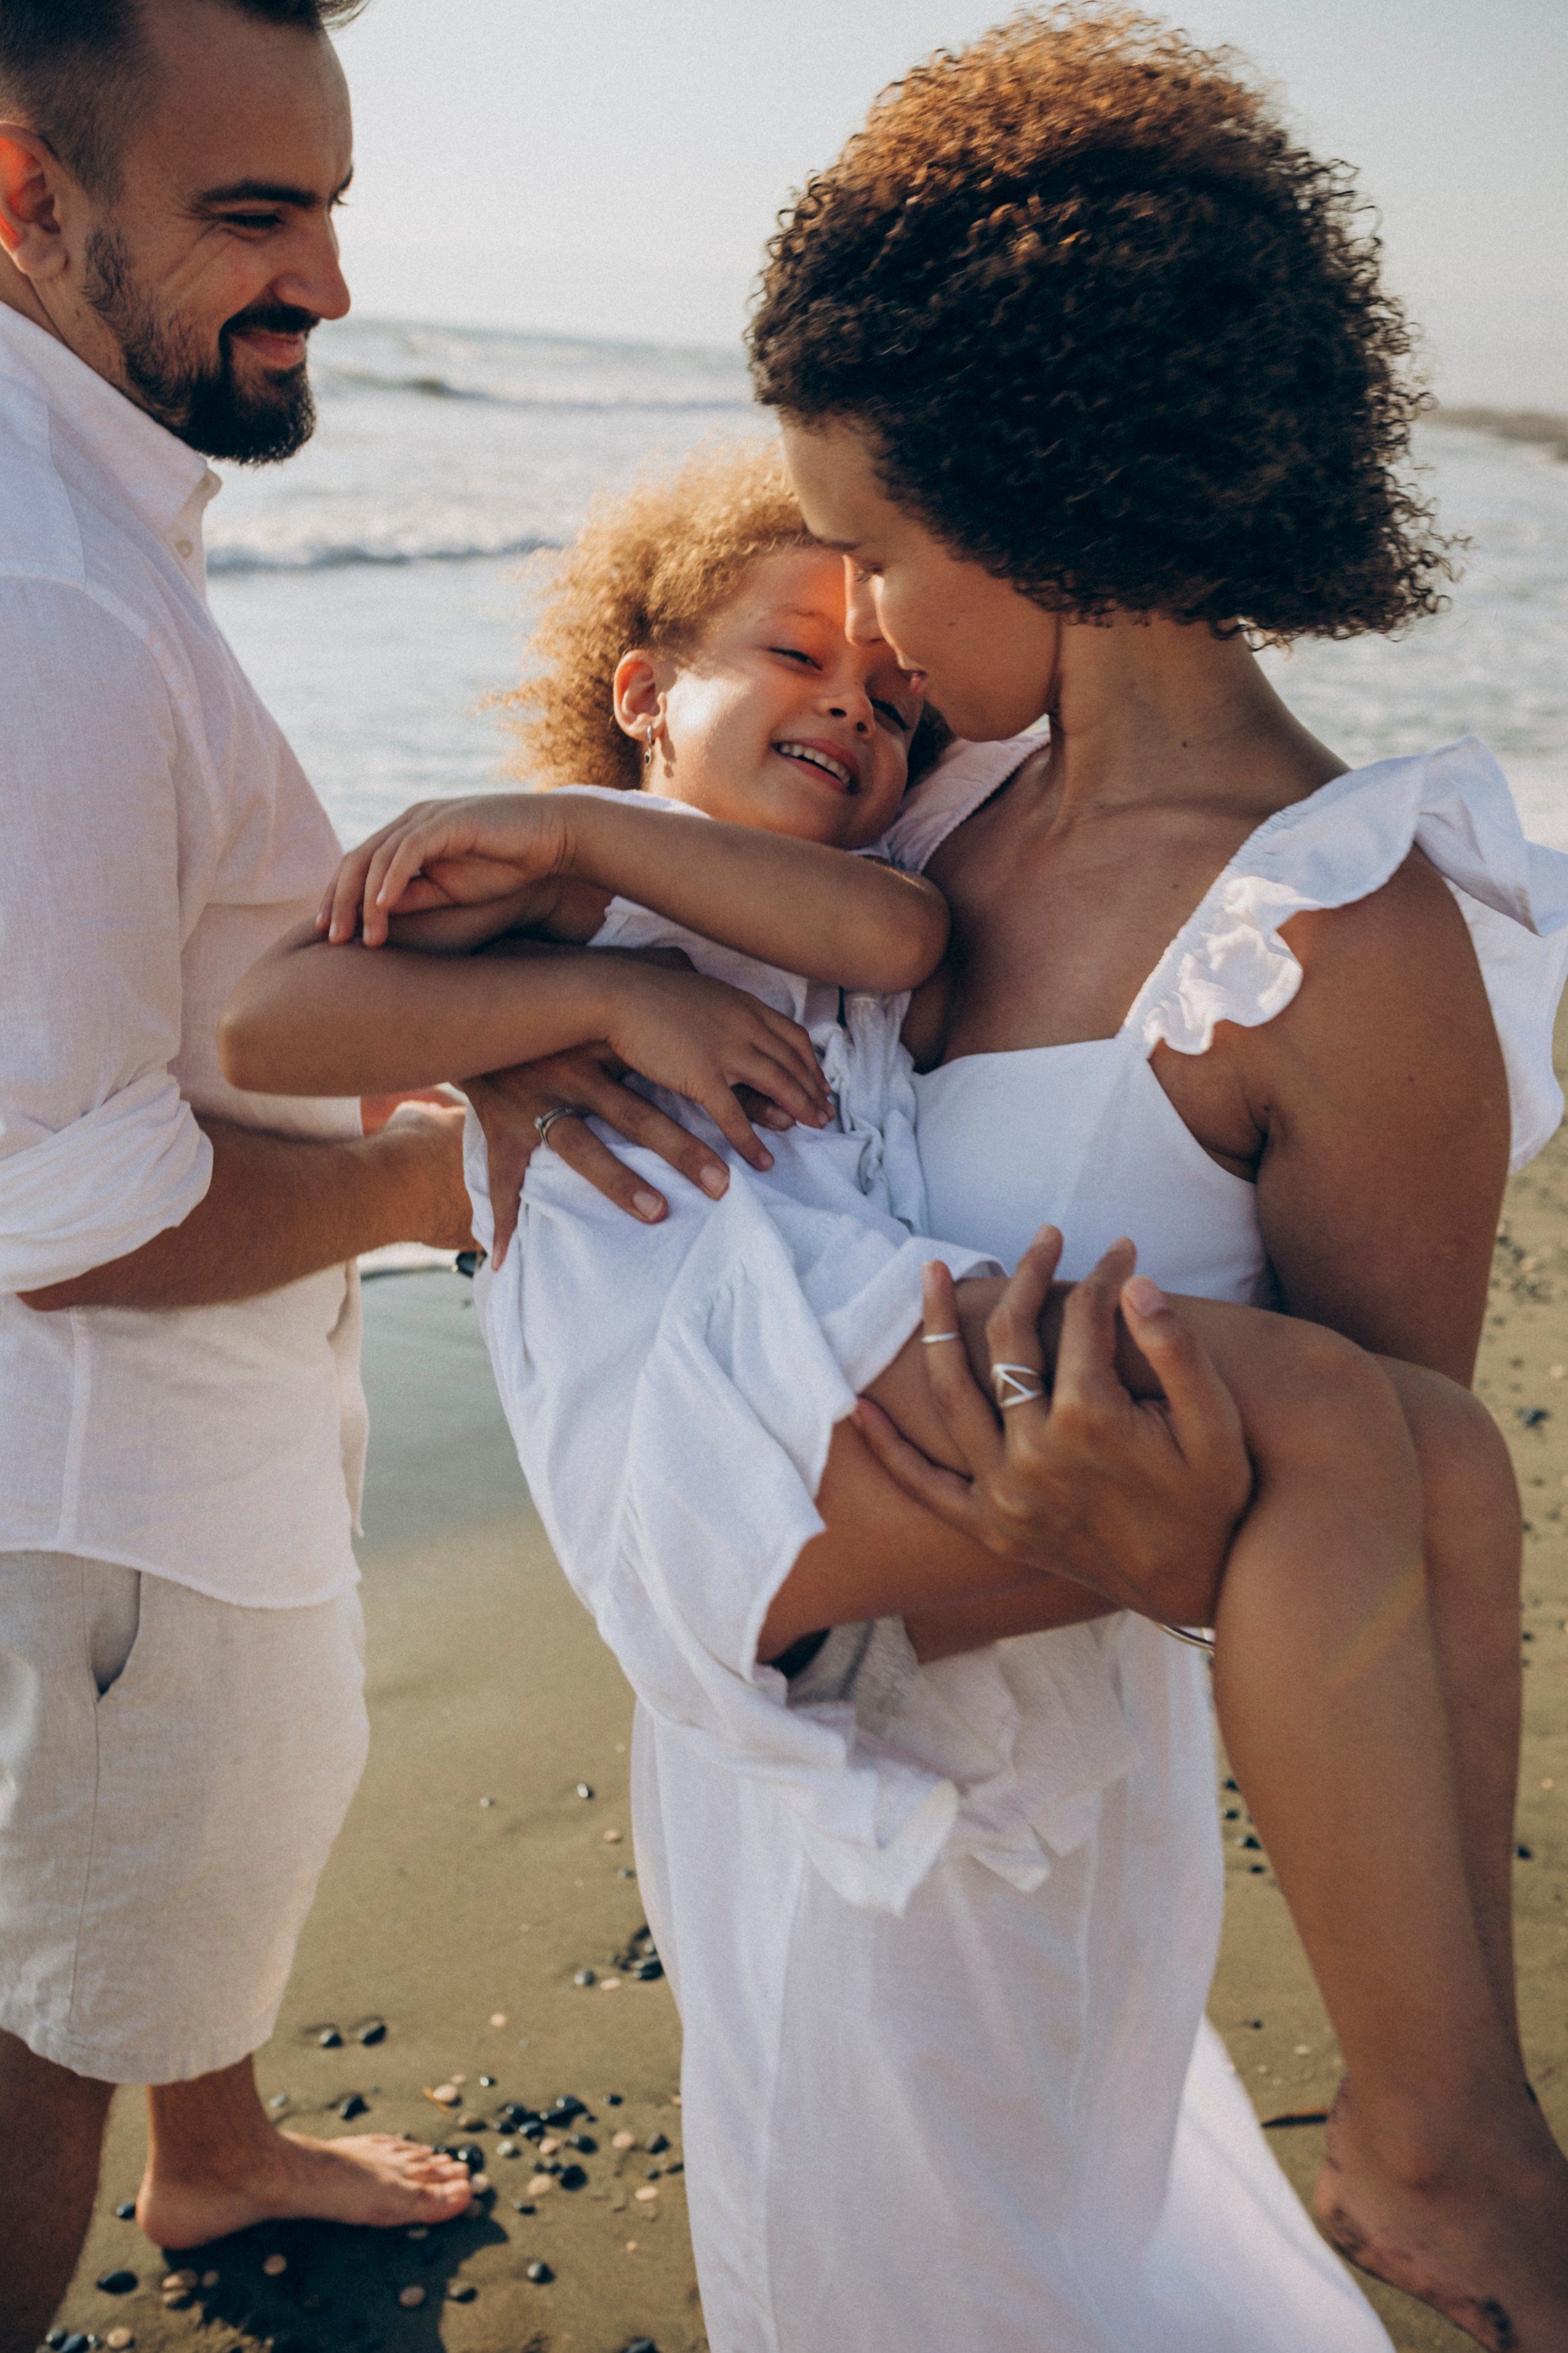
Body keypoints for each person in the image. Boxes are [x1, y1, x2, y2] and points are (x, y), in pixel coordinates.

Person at [226, 426, 1568, 2350]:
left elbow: (900, 930)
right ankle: (1434, 2118)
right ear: (637, 691)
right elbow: (271, 1016)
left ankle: (1451, 2084)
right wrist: (580, 986)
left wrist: (630, 881)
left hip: (829, 1353)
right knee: (1337, 1426)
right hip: (707, 1412)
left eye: (881, 695)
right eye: (792, 656)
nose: (852, 711)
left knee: (1428, 1439)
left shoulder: (825, 902)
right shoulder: (555, 895)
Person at [0, 7, 477, 2347]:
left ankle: (220, 2154)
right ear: (22, 199)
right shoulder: (44, 596)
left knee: (164, 1873)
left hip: (166, 1467)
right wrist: (423, 1183)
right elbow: (64, 1220)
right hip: (111, 1498)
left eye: (332, 206)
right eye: (254, 220)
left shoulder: (82, 501)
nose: (332, 286)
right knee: (37, 2009)